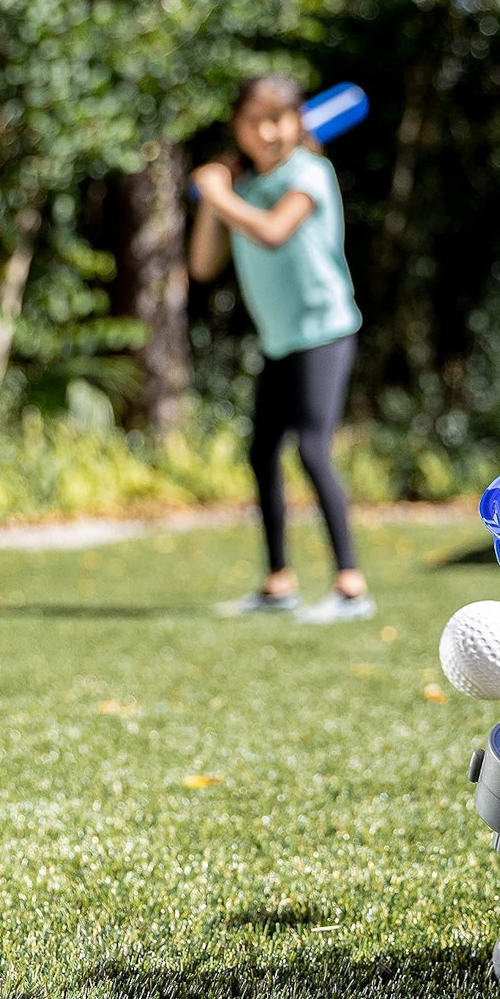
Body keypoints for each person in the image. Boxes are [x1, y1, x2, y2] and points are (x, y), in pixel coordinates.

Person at [188, 73, 373, 624]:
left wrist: (218, 194)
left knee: (312, 450)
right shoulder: (241, 188)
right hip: (279, 340)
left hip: (325, 331)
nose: (268, 131)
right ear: (238, 128)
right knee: (261, 452)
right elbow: (201, 266)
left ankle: (350, 587)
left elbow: (273, 231)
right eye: (255, 122)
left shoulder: (309, 173)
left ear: (298, 122)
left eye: (280, 118)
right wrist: (214, 197)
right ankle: (278, 584)